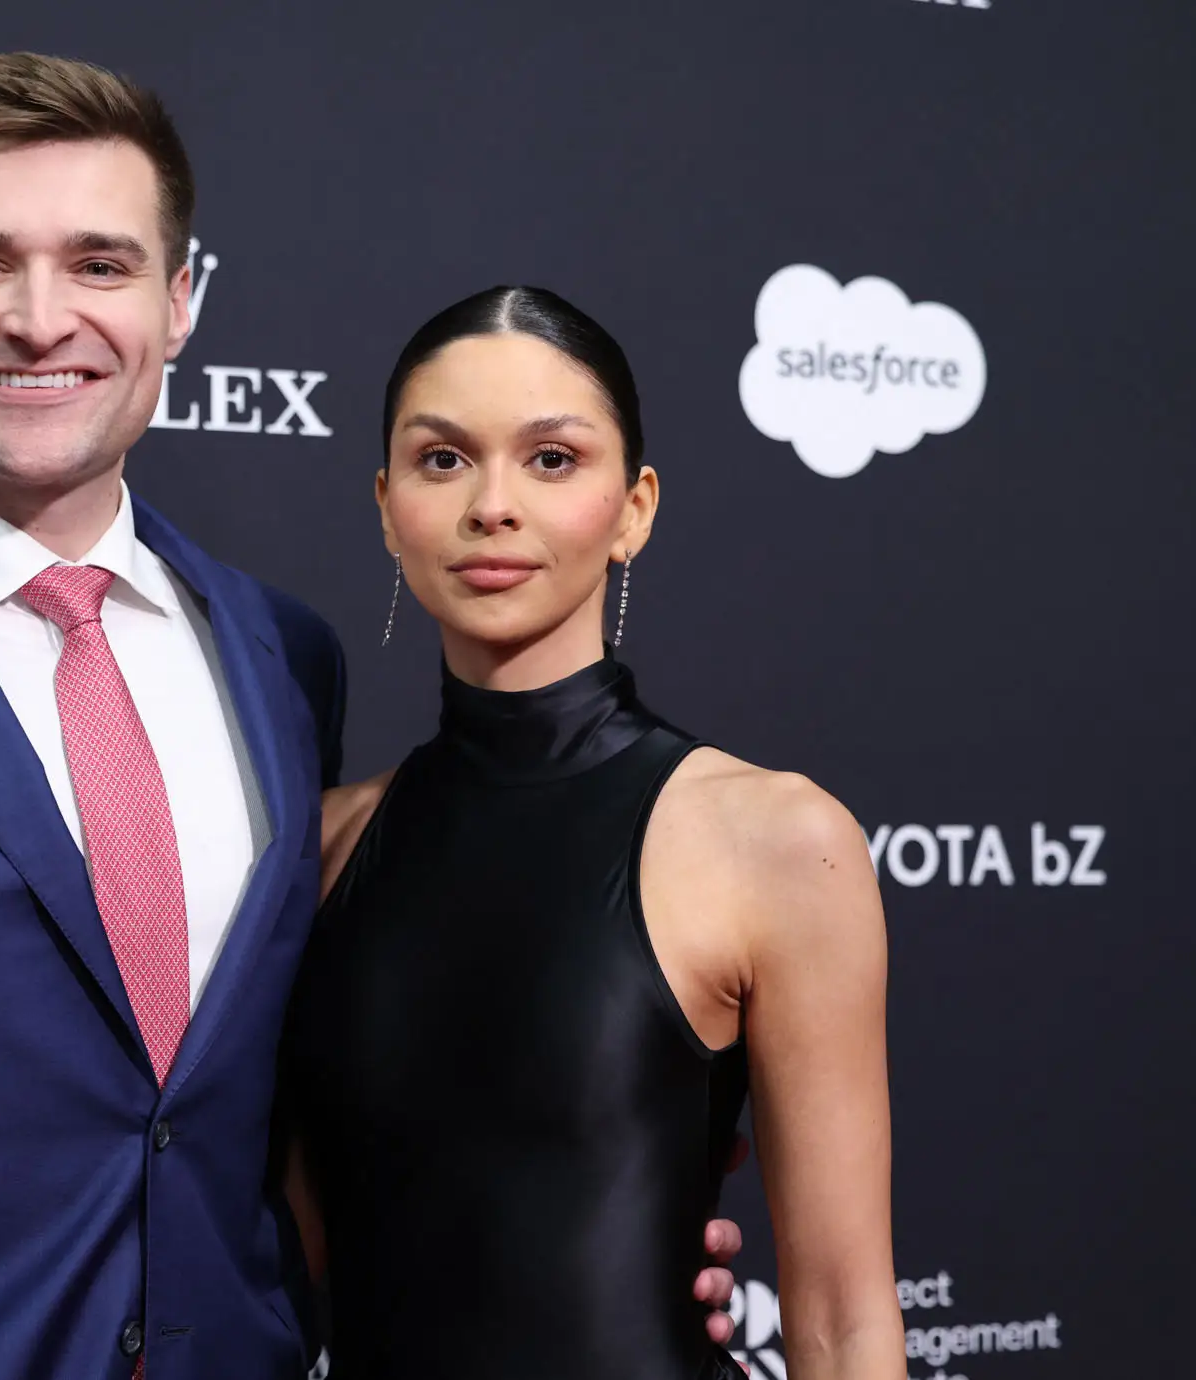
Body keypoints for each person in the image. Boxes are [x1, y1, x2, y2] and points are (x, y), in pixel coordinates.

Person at [0, 52, 744, 1380]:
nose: (41, 320)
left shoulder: (283, 656)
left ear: (180, 303)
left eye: (99, 265)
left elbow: (292, 1106)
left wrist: (584, 1232)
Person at [284, 286, 905, 1379]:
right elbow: (287, 1259)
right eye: (441, 461)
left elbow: (844, 1322)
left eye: (551, 459)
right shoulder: (322, 847)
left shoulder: (772, 839)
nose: (491, 505)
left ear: (634, 507)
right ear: (385, 506)